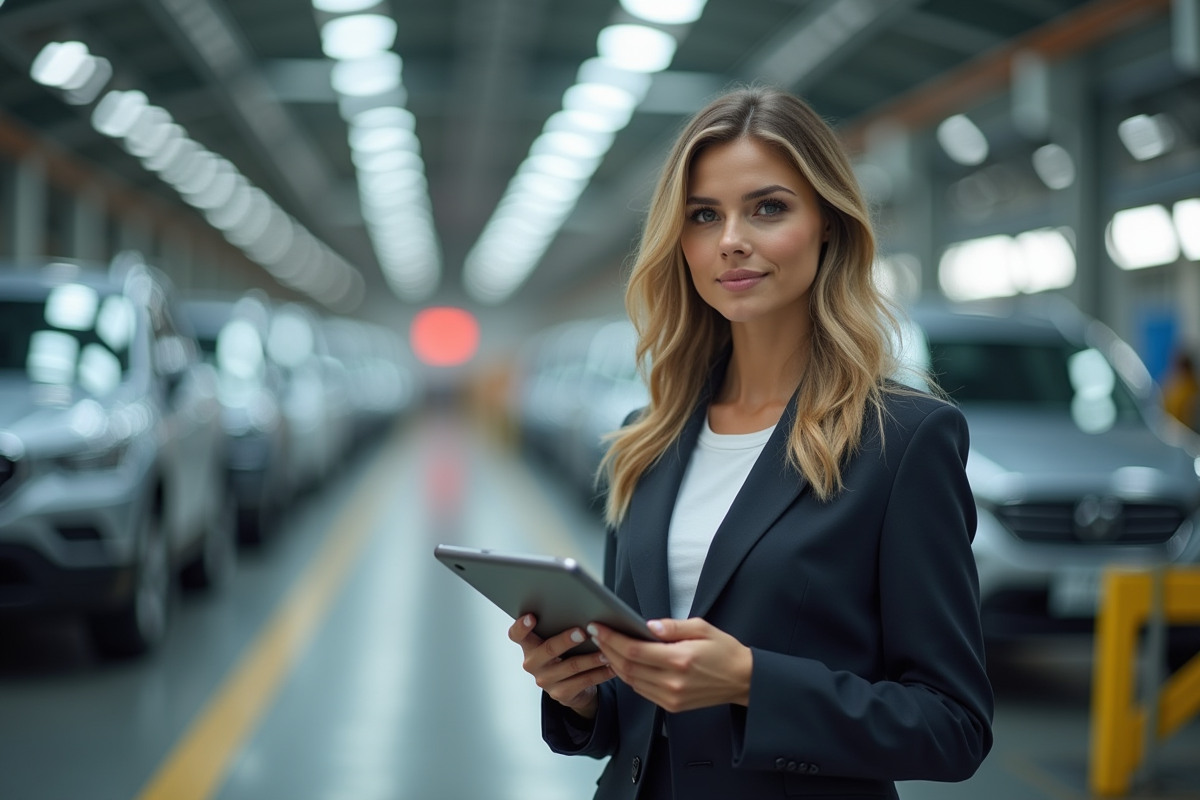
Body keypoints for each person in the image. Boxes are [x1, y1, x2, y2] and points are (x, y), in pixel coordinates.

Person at [507, 86, 993, 799]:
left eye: (768, 208)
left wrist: (750, 682)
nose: (731, 239)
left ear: (828, 226)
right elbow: (633, 715)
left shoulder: (903, 441)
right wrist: (580, 694)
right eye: (704, 215)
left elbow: (953, 726)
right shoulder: (649, 438)